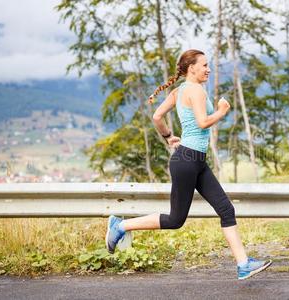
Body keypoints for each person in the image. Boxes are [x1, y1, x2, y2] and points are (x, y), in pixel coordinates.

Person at [105, 49, 271, 280]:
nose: (208, 69)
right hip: (188, 160)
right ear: (191, 68)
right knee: (175, 220)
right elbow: (203, 123)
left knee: (225, 209)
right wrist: (222, 111)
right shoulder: (196, 91)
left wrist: (168, 137)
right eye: (204, 65)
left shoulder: (179, 90)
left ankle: (243, 265)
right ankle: (120, 227)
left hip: (194, 159)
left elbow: (157, 117)